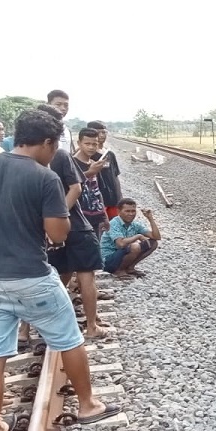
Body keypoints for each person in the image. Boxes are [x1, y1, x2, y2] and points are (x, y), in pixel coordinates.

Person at [0, 109, 120, 431]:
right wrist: (63, 224)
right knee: (69, 339)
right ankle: (88, 405)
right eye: (54, 144)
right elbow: (57, 234)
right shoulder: (45, 177)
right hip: (31, 276)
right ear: (46, 142)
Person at [43, 108, 107, 341]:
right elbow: (77, 187)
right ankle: (91, 326)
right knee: (86, 275)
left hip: (52, 228)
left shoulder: (28, 158)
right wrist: (61, 214)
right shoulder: (61, 155)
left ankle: (50, 325)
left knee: (59, 276)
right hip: (77, 225)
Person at [101, 199, 161, 278]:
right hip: (108, 260)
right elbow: (120, 244)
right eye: (127, 211)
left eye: (133, 211)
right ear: (119, 211)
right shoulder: (114, 223)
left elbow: (156, 237)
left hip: (121, 255)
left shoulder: (134, 224)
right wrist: (138, 236)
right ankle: (119, 271)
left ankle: (130, 268)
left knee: (153, 243)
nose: (131, 214)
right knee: (135, 247)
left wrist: (150, 218)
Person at [73, 128, 109, 235]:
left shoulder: (93, 163)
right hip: (78, 219)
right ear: (79, 143)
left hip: (94, 218)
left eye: (94, 144)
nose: (91, 147)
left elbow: (96, 190)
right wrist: (90, 172)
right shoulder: (71, 163)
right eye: (87, 143)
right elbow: (68, 185)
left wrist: (104, 215)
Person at [87, 121, 124, 220]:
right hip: (97, 199)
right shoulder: (88, 155)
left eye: (104, 132)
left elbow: (115, 176)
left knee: (113, 226)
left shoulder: (110, 154)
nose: (102, 135)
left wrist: (119, 197)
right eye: (99, 132)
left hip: (112, 199)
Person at [46, 89, 72, 154]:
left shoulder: (67, 130)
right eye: (58, 104)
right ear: (48, 105)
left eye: (66, 105)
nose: (63, 108)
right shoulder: (43, 127)